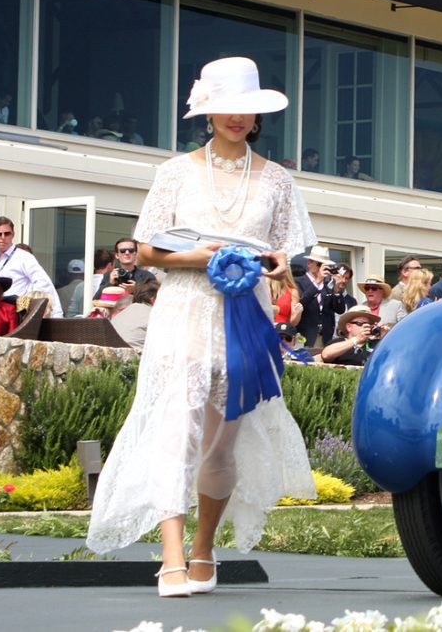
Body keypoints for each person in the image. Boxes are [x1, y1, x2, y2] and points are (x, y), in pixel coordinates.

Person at [85, 56, 316, 598]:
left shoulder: (278, 181)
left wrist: (280, 268)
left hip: (246, 317)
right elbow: (145, 249)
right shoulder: (174, 172)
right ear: (207, 112)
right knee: (175, 426)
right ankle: (169, 557)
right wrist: (197, 257)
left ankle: (203, 548)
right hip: (185, 309)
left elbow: (284, 251)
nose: (237, 118)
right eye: (225, 108)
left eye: (247, 109)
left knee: (222, 441)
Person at [0, 216, 62, 317]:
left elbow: (43, 283)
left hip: (19, 313)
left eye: (7, 233)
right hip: (0, 312)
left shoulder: (23, 257)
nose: (3, 237)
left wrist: (27, 303)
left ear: (13, 234)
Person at [296, 245, 339, 348]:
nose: (322, 269)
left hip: (325, 337)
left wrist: (337, 290)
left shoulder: (327, 286)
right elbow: (301, 303)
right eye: (319, 264)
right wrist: (318, 281)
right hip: (304, 335)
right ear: (309, 263)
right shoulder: (298, 282)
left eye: (325, 265)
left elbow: (339, 309)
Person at [319, 308, 384, 366]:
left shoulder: (377, 344)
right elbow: (325, 355)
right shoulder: (338, 342)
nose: (365, 326)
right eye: (360, 323)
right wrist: (357, 340)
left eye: (369, 324)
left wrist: (386, 337)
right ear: (349, 327)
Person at [111, 276, 158, 349]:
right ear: (153, 299)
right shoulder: (155, 315)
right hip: (136, 357)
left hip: (110, 354)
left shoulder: (125, 312)